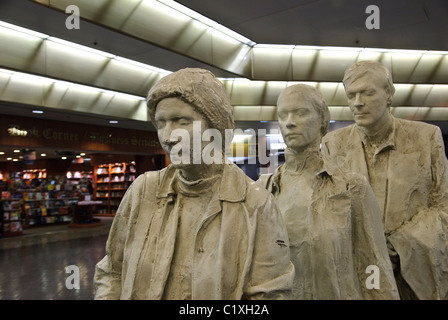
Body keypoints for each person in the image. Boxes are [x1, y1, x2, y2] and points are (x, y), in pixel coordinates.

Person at [93, 68, 294, 300]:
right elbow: (111, 272)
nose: (168, 137)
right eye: (161, 124)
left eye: (181, 121)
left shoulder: (256, 204)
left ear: (215, 125)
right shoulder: (142, 191)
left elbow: (270, 294)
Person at [258, 84, 399, 300]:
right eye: (283, 115)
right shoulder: (263, 190)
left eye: (301, 113)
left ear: (323, 119)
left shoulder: (352, 188)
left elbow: (373, 264)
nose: (290, 122)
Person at [321, 60, 448, 300]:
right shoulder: (333, 145)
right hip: (356, 274)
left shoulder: (426, 138)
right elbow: (328, 210)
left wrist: (399, 246)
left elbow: (443, 207)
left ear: (388, 93)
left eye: (368, 93)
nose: (357, 103)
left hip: (412, 274)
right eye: (351, 95)